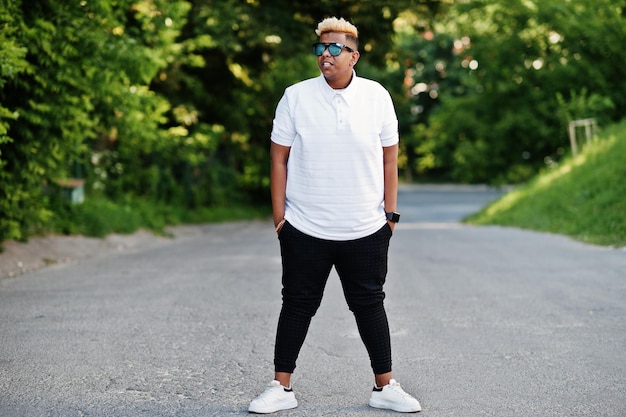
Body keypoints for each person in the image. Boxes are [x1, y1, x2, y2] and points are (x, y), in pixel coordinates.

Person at [248, 16, 421, 414]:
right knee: (296, 304)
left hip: (365, 227)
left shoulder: (377, 96)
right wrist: (280, 220)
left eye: (334, 49)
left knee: (369, 304)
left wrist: (389, 216)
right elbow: (278, 160)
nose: (325, 55)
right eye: (320, 49)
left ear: (354, 55)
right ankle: (281, 388)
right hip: (305, 227)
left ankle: (385, 387)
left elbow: (389, 159)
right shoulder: (295, 97)